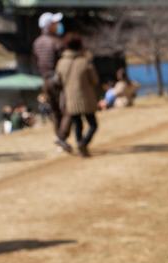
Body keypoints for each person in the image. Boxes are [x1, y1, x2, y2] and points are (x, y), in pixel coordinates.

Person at [32, 11, 72, 152]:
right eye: (56, 23)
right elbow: (64, 63)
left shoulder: (36, 43)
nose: (59, 25)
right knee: (69, 110)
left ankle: (59, 138)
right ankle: (62, 137)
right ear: (49, 26)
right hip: (57, 81)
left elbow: (37, 61)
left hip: (45, 81)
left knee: (55, 112)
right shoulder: (57, 42)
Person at [54, 33, 99, 157]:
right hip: (87, 99)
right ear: (80, 45)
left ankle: (80, 146)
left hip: (71, 99)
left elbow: (57, 81)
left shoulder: (61, 62)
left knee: (77, 125)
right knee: (93, 124)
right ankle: (84, 142)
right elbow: (95, 79)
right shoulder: (85, 61)